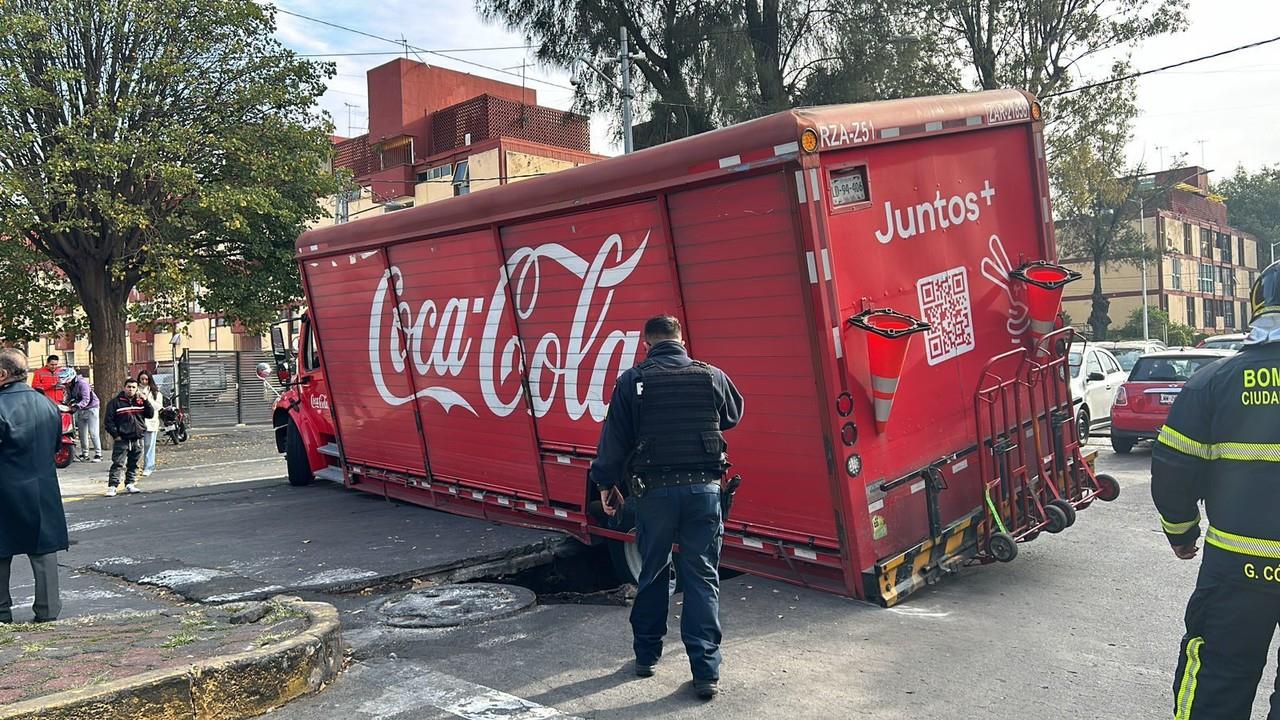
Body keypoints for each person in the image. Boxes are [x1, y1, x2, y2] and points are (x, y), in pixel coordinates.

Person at [589, 315, 744, 701]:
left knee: (654, 573)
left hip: (654, 496)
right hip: (705, 493)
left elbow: (613, 443)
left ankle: (646, 657)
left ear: (646, 344)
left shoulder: (632, 381)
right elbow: (732, 415)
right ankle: (706, 672)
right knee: (702, 578)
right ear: (681, 341)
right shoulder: (711, 375)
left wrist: (606, 485)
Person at [1153, 259, 1280, 719]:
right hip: (1234, 566)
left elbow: (1173, 468)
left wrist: (1182, 533)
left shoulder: (1212, 383)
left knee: (1217, 681)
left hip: (1236, 568)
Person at [0, 348, 68, 623]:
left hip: (5, 487)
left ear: (2, 374)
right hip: (42, 486)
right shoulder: (46, 404)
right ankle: (48, 610)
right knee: (43, 550)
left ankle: (2, 612)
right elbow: (56, 447)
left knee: (1, 551)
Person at [103, 377, 153, 497]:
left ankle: (130, 483)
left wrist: (146, 401)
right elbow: (108, 421)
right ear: (124, 388)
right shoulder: (115, 403)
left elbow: (150, 414)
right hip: (122, 439)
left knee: (134, 463)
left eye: (133, 387)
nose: (131, 389)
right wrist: (116, 435)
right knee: (118, 463)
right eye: (129, 387)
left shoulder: (140, 402)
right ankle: (113, 486)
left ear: (137, 389)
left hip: (137, 438)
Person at [60, 367, 101, 462]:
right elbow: (69, 396)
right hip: (80, 409)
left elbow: (86, 399)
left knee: (93, 432)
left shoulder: (83, 384)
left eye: (67, 382)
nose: (66, 384)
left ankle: (98, 454)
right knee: (82, 433)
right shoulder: (69, 385)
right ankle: (84, 454)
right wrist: (65, 403)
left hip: (91, 408)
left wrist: (76, 406)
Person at [136, 370, 163, 477]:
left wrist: (147, 400)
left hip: (150, 422)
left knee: (149, 445)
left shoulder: (155, 392)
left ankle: (149, 466)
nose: (143, 381)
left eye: (146, 379)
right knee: (137, 445)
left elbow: (158, 406)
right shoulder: (135, 389)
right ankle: (134, 465)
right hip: (137, 422)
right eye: (141, 379)